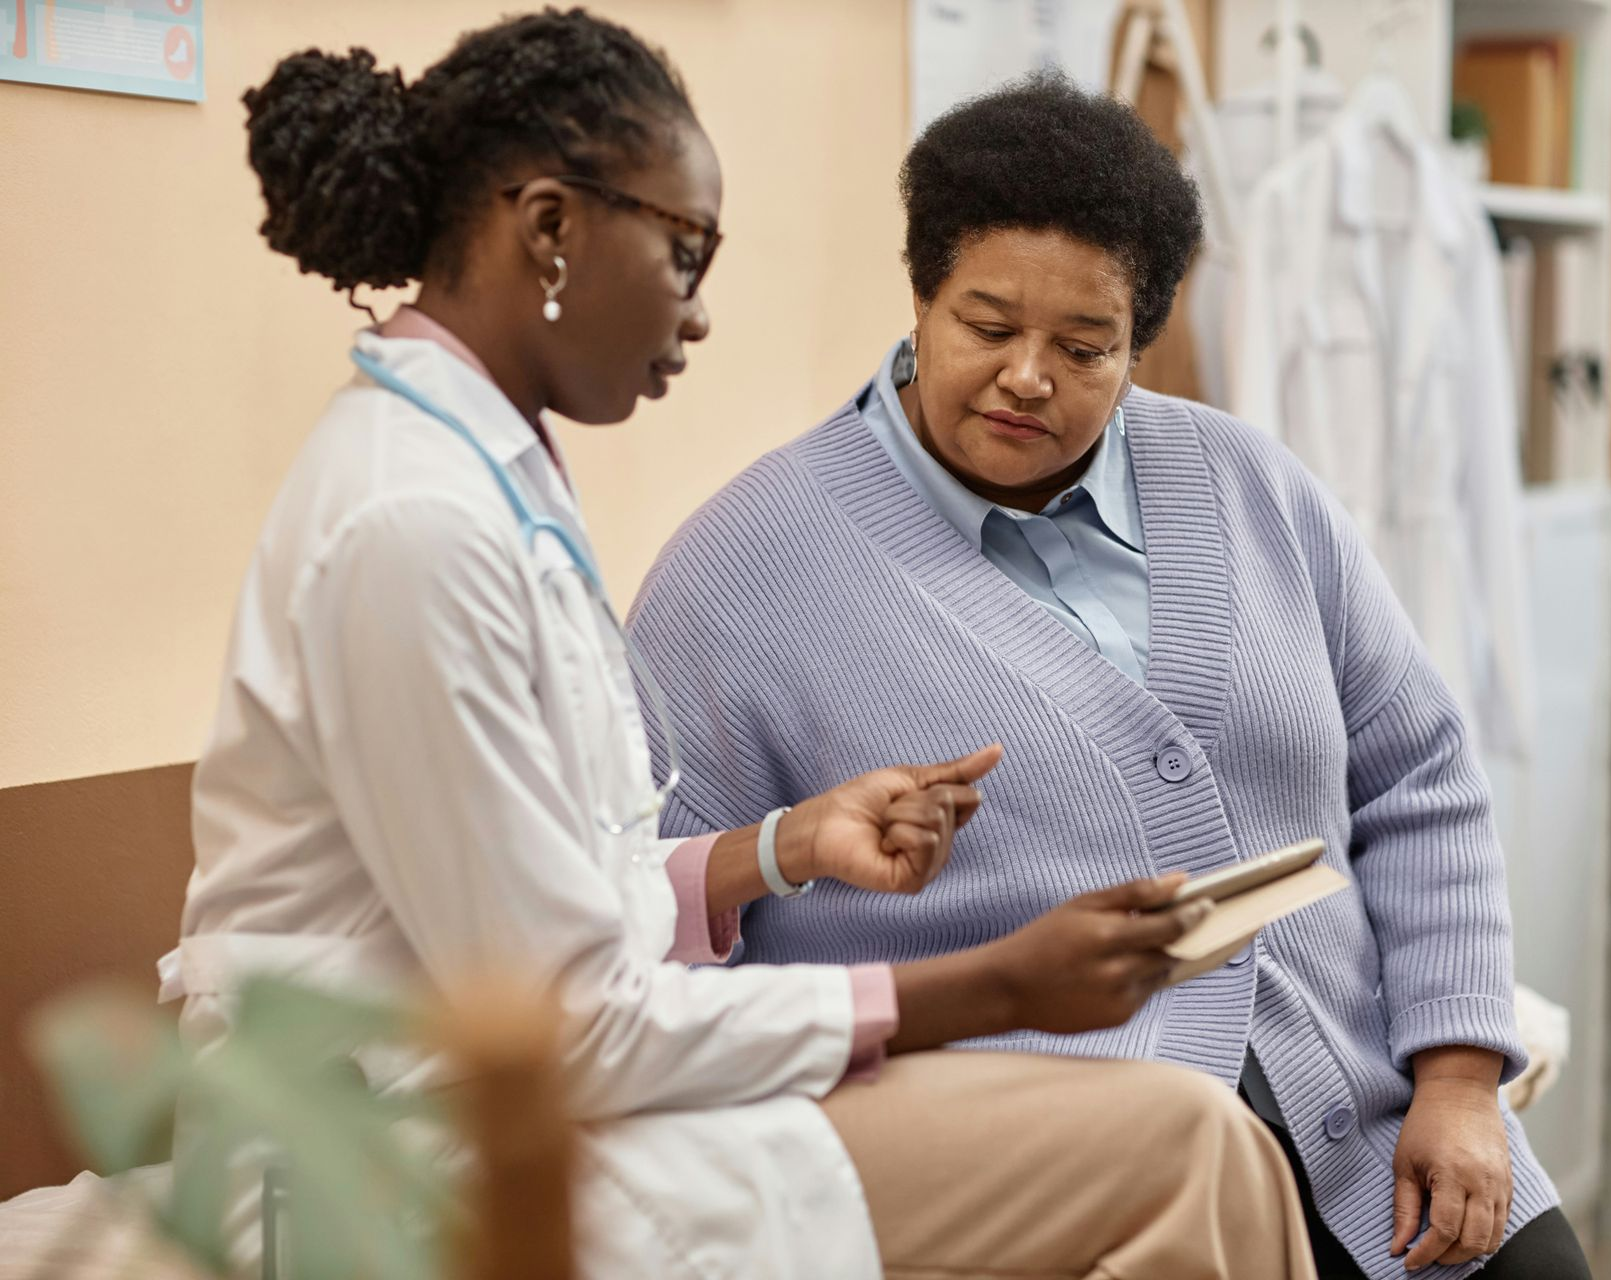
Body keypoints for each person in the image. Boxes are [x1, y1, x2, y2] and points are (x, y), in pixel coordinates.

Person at [161, 12, 1318, 1279]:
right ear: (551, 228)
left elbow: (550, 906)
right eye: (684, 252)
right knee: (1187, 1144)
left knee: (1186, 1143)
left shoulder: (478, 481)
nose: (700, 315)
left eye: (1086, 347)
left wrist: (781, 848)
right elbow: (567, 1018)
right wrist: (996, 988)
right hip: (393, 1157)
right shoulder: (409, 527)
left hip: (516, 1094)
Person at [627, 74, 1594, 1280]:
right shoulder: (744, 568)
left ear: (1140, 344)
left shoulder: (1251, 486)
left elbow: (1420, 776)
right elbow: (633, 918)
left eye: (1084, 347)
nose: (1030, 375)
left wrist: (1456, 1077)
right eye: (987, 326)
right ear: (920, 298)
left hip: (1375, 1130)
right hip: (1077, 1186)